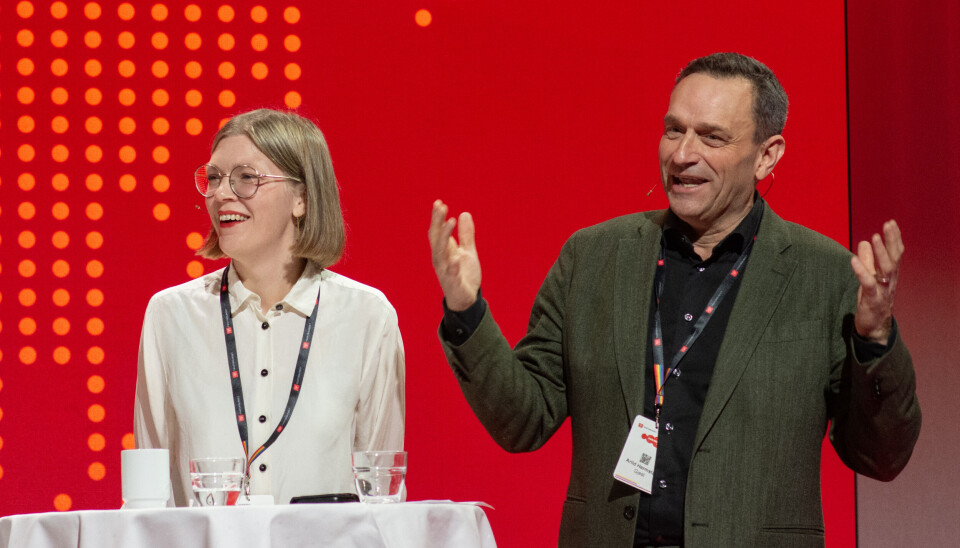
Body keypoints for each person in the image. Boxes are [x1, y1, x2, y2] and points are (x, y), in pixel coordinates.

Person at [428, 53, 920, 547]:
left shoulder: (825, 276)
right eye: (673, 131)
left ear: (767, 155)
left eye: (712, 137)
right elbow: (523, 420)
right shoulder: (592, 258)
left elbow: (880, 456)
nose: (683, 154)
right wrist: (466, 309)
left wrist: (875, 340)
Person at [135, 108, 404, 506]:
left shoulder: (367, 316)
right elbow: (148, 498)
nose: (222, 193)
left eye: (246, 178)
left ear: (302, 198)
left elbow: (382, 491)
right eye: (213, 178)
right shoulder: (170, 316)